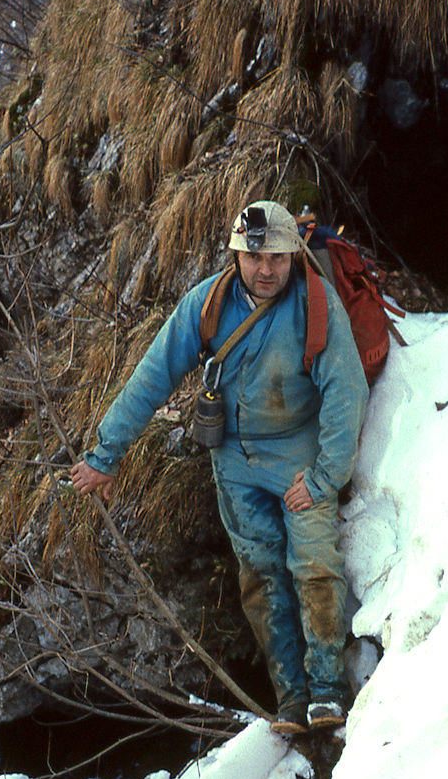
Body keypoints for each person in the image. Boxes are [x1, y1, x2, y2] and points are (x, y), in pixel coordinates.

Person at [70, 200, 370, 734]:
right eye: (254, 258)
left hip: (299, 455)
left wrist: (324, 477)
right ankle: (291, 699)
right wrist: (105, 456)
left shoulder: (314, 304)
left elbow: (346, 391)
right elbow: (152, 376)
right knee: (259, 574)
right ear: (236, 255)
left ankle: (327, 689)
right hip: (233, 461)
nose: (266, 270)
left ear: (292, 254)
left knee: (314, 563)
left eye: (277, 257)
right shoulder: (205, 305)